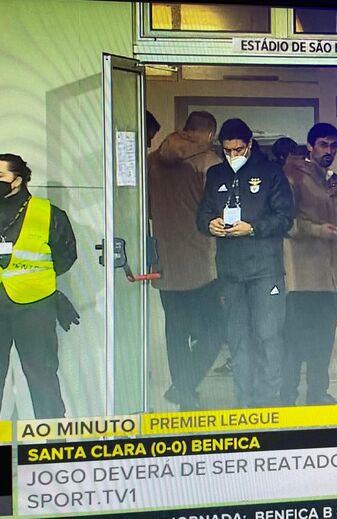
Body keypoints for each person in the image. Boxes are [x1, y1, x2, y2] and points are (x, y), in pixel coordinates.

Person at [0, 153, 77, 421]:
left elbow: (66, 257)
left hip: (34, 307)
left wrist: (32, 280)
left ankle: (54, 439)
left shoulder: (49, 214)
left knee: (42, 375)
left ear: (18, 180)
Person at [197, 118, 294, 408]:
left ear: (250, 144)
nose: (233, 155)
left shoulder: (271, 172)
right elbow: (202, 215)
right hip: (231, 271)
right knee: (238, 339)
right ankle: (244, 402)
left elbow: (285, 218)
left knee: (268, 335)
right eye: (227, 150)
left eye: (238, 149)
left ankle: (268, 401)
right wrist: (209, 224)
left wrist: (253, 228)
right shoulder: (215, 174)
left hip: (265, 270)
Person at [148, 111, 224, 411]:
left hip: (166, 264)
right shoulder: (209, 162)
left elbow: (146, 209)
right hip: (202, 264)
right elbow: (220, 210)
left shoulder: (152, 161)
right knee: (216, 331)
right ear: (210, 134)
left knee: (176, 332)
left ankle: (184, 393)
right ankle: (185, 385)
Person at [281, 123, 337, 406]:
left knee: (323, 342)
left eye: (333, 145)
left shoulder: (328, 180)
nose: (329, 150)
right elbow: (286, 222)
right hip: (302, 276)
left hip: (328, 276)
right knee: (295, 344)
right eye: (323, 144)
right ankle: (288, 399)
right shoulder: (294, 175)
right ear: (310, 146)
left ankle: (317, 395)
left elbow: (324, 219)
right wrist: (319, 230)